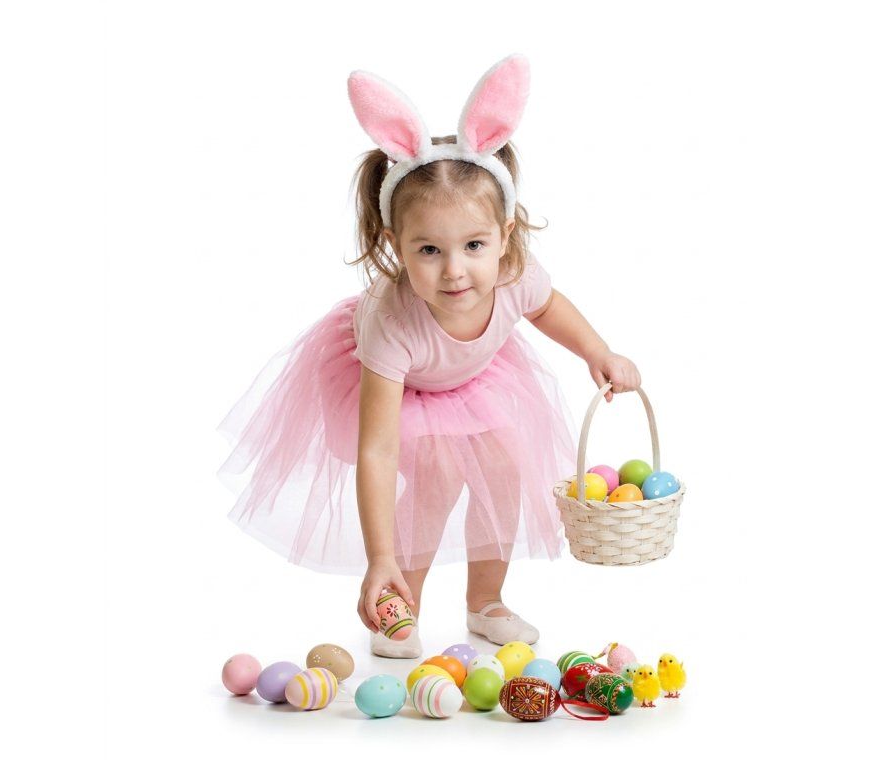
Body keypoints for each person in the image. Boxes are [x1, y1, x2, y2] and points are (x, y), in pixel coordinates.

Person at [217, 54, 641, 659]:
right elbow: (377, 448)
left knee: (503, 469)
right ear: (396, 246)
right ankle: (398, 599)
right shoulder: (393, 322)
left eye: (474, 245)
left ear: (505, 236)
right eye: (429, 250)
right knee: (436, 480)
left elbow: (548, 307)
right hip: (407, 390)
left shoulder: (514, 275)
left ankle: (485, 602)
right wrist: (377, 557)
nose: (455, 271)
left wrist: (597, 351)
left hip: (478, 379)